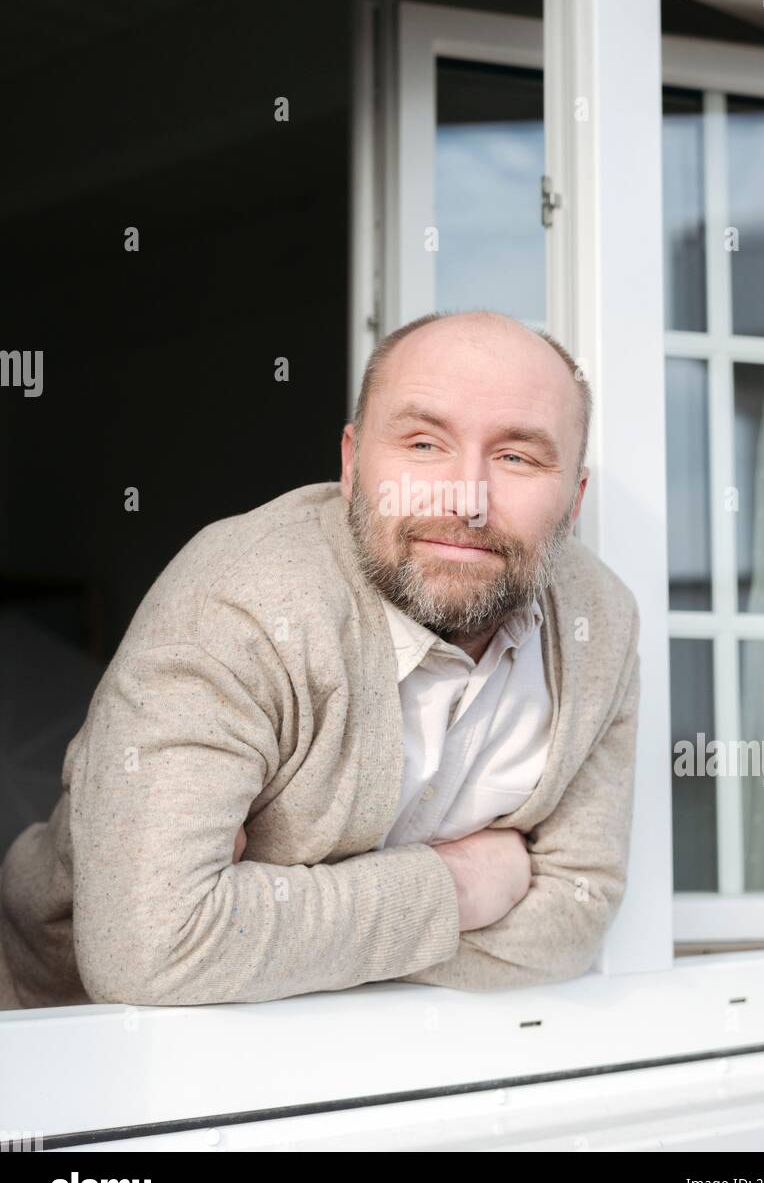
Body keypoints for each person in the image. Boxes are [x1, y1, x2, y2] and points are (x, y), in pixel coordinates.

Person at [0, 309, 640, 1009]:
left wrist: (264, 930)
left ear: (574, 500)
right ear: (350, 463)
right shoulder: (240, 603)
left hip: (395, 1065)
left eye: (517, 457)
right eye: (424, 444)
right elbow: (151, 949)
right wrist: (456, 888)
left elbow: (578, 912)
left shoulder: (598, 622)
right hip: (75, 1057)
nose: (467, 500)